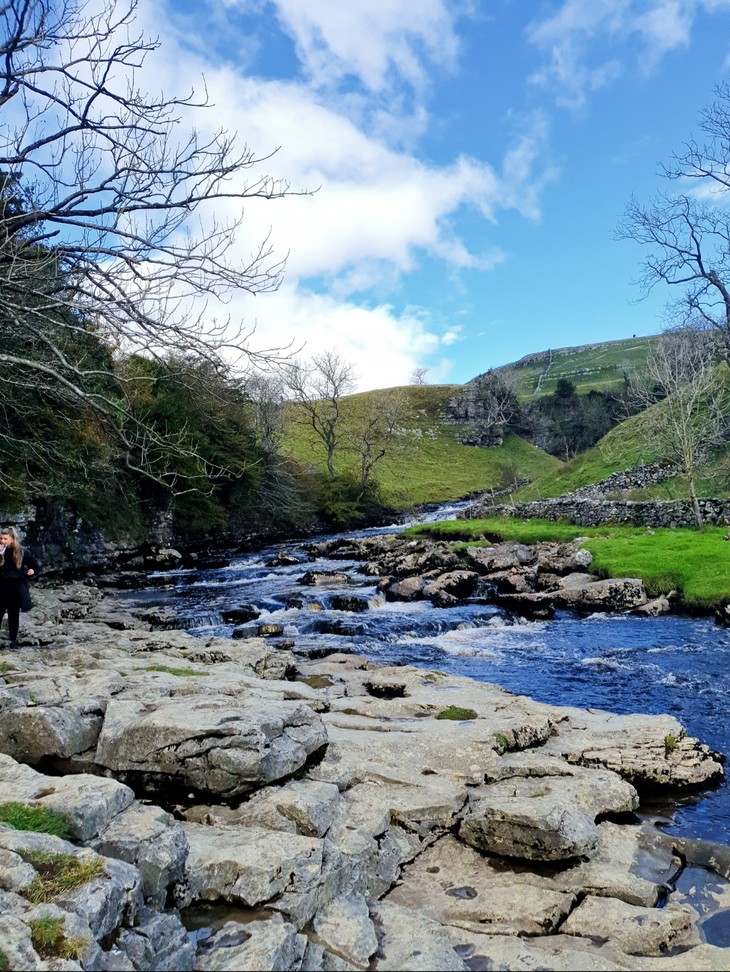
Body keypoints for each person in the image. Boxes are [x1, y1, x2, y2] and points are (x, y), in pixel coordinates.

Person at [0, 526, 38, 649]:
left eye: (5, 539)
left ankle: (13, 641)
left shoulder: (22, 551)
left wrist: (32, 572)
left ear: (12, 539)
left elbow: (35, 566)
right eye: (1, 538)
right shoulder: (1, 551)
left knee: (13, 616)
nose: (2, 541)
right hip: (1, 587)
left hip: (15, 588)